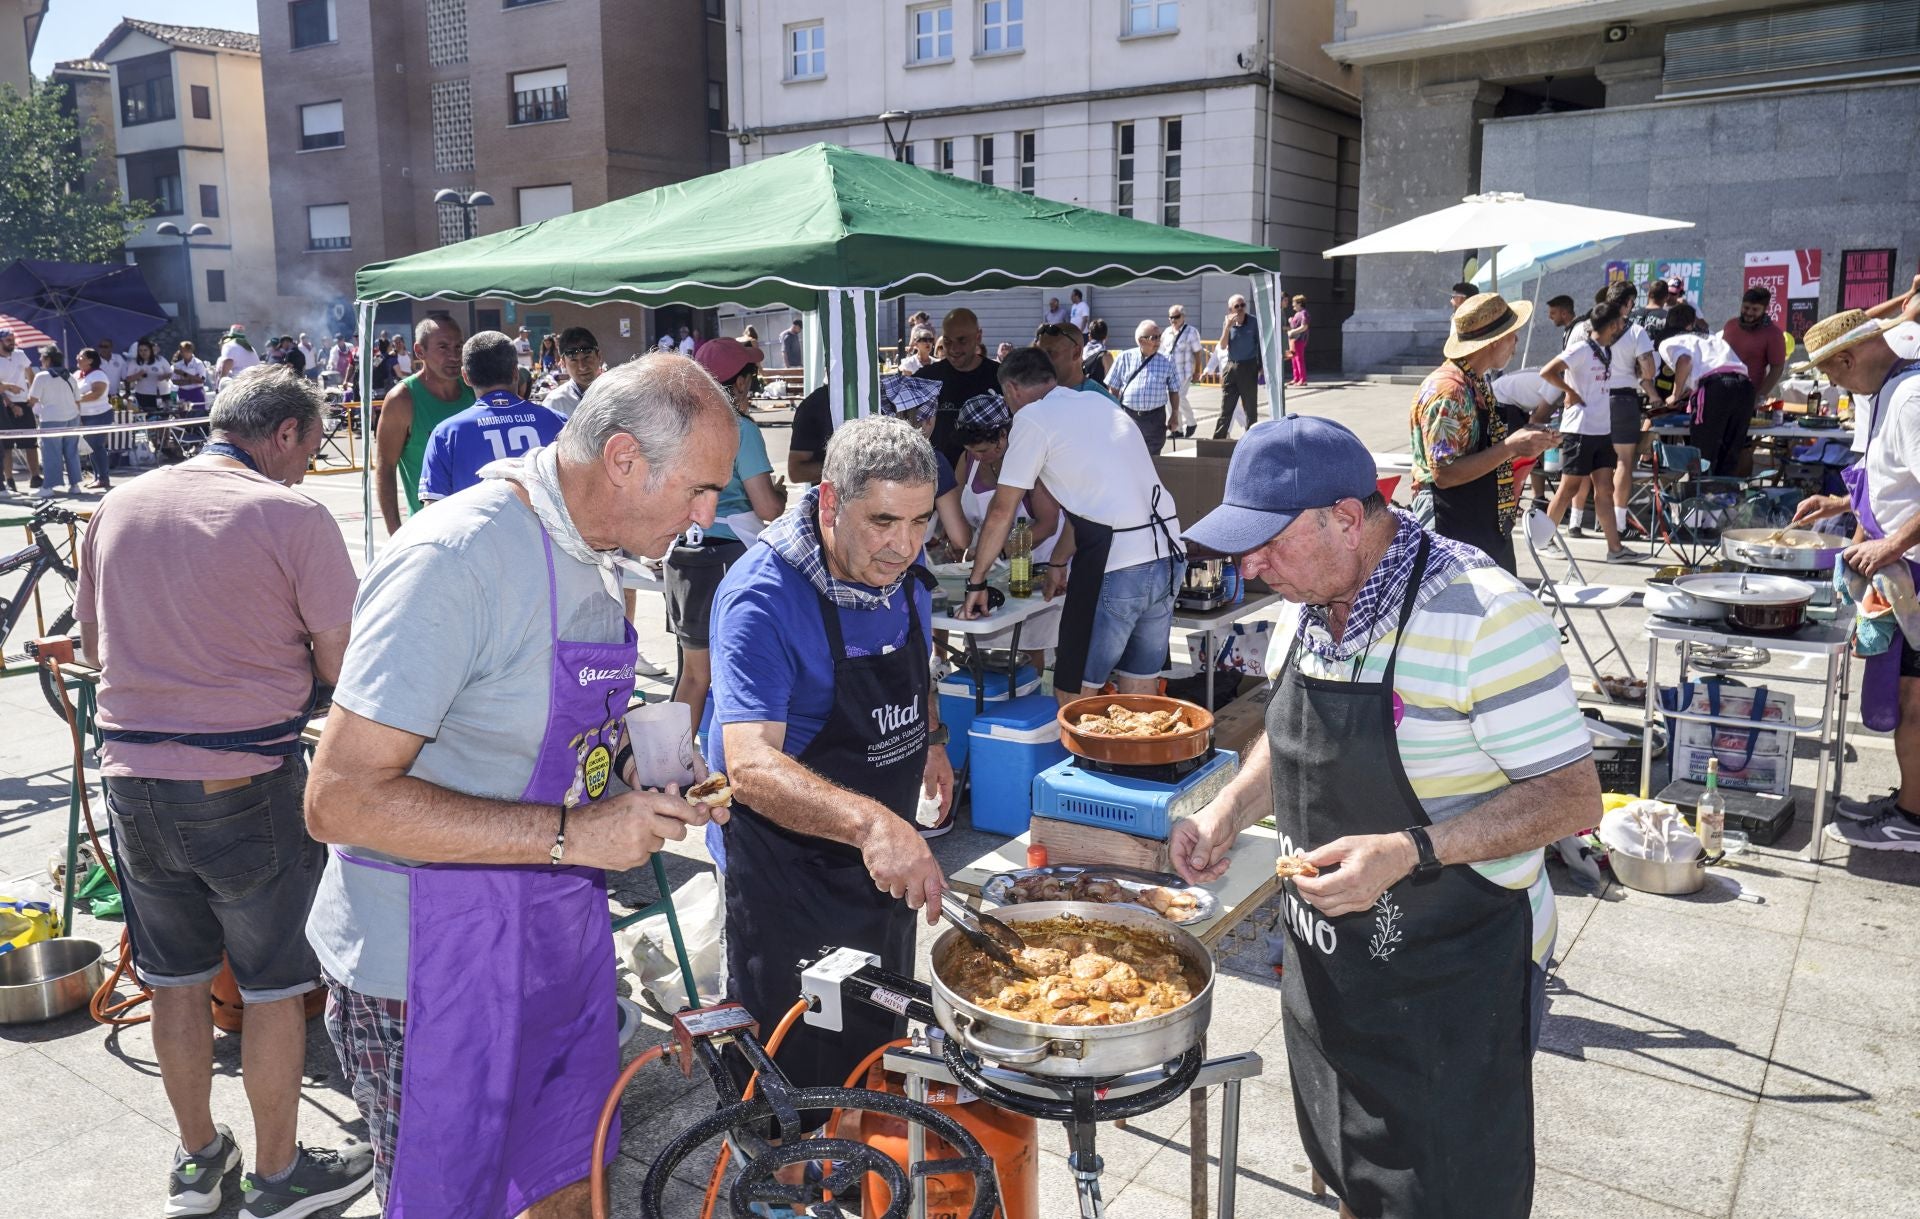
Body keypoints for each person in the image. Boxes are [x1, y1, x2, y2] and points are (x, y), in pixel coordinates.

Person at [303, 356, 737, 1217]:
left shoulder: (597, 550)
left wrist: (646, 772)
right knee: (451, 1197)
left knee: (569, 1176)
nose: (707, 515)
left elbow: (541, 732)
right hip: (427, 963)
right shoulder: (454, 557)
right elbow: (339, 798)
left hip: (551, 937)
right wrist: (576, 837)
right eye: (699, 489)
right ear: (622, 459)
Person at [1171, 414, 1600, 1219]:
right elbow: (1288, 733)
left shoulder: (1481, 614)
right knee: (1352, 1167)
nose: (1251, 566)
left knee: (1446, 1188)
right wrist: (1230, 805)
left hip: (1454, 974)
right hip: (1332, 965)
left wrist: (1411, 849)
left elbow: (1571, 797)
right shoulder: (1305, 603)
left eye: (1269, 543)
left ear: (1345, 517)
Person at [76, 367, 374, 1219]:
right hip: (242, 776)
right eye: (309, 450)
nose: (307, 468)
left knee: (175, 981)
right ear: (281, 434)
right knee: (276, 986)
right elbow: (344, 667)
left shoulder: (121, 504)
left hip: (132, 780)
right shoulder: (292, 516)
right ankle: (280, 1179)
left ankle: (199, 1164)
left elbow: (98, 645)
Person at [707, 414, 949, 1106]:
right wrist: (875, 827)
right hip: (792, 883)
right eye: (882, 522)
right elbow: (748, 764)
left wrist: (932, 739)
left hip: (884, 880)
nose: (903, 545)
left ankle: (866, 1170)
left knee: (879, 1039)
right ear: (829, 503)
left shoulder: (902, 573)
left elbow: (918, 661)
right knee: (794, 1075)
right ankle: (782, 1184)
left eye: (920, 521)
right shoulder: (763, 597)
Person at [963, 348, 1183, 707]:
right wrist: (1057, 563)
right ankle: (1135, 763)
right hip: (1167, 553)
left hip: (1117, 561)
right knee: (1141, 684)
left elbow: (1002, 511)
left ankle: (1078, 761)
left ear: (1013, 390)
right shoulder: (1101, 404)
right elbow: (1089, 505)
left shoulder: (1032, 418)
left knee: (1075, 687)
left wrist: (977, 581)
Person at [1781, 308, 1920, 853]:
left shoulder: (1910, 398)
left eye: (1834, 375)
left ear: (1848, 356)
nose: (1836, 386)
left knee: (1915, 700)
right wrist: (1841, 502)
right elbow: (1896, 480)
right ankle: (1911, 800)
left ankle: (1912, 822)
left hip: (1914, 570)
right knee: (1908, 693)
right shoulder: (1886, 391)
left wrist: (1889, 544)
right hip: (1904, 569)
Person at [670, 337, 786, 725]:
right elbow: (767, 507)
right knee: (717, 675)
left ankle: (665, 766)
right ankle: (684, 767)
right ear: (738, 383)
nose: (751, 387)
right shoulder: (741, 429)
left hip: (682, 552)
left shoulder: (681, 423)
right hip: (726, 556)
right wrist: (781, 496)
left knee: (690, 673)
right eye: (751, 377)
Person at [1407, 294, 1555, 573]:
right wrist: (1511, 447)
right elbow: (1444, 474)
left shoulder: (1473, 381)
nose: (1516, 344)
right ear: (1495, 341)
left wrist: (1525, 444)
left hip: (1475, 516)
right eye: (1513, 336)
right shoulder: (1449, 391)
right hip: (1451, 520)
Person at [953, 391, 1062, 669]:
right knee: (980, 645)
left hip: (1034, 570)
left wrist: (1000, 550)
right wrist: (956, 541)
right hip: (989, 569)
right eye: (973, 450)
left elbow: (1048, 524)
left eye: (985, 450)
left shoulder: (1029, 458)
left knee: (1027, 648)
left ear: (1004, 435)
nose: (979, 456)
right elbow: (958, 506)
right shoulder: (969, 460)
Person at [1540, 303, 1640, 561]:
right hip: (1579, 430)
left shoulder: (1606, 351)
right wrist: (1570, 391)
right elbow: (1547, 371)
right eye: (1619, 323)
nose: (1622, 327)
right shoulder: (1581, 349)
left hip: (1602, 430)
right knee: (1568, 488)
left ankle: (1615, 550)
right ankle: (1544, 540)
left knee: (1604, 490)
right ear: (1610, 326)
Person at [418, 331, 567, 504]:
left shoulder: (446, 434)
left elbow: (432, 511)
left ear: (465, 376)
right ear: (515, 373)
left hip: (476, 530)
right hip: (548, 531)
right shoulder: (560, 423)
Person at [374, 315, 473, 534]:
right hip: (430, 532)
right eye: (443, 347)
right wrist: (395, 533)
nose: (454, 356)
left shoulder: (474, 389)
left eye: (458, 347)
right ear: (420, 352)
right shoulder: (402, 399)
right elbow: (385, 467)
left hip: (477, 527)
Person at [1656, 302, 1754, 476]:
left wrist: (1675, 395)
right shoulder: (1712, 338)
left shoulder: (1668, 342)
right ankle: (1724, 496)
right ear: (1691, 324)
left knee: (1703, 455)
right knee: (1730, 452)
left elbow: (1684, 361)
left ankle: (1700, 497)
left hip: (1717, 388)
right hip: (1745, 387)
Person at [912, 307, 1001, 464]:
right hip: (938, 477)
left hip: (987, 478)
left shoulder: (1000, 377)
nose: (953, 348)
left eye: (962, 340)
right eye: (947, 341)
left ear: (978, 337)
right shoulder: (926, 377)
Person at [1105, 319, 1181, 455]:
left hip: (1155, 419)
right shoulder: (1124, 358)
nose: (1158, 341)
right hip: (1128, 417)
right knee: (1128, 456)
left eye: (1160, 337)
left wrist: (1174, 415)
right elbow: (1113, 389)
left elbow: (1174, 390)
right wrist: (1112, 415)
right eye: (1154, 338)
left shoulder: (1167, 360)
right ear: (1141, 340)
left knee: (1153, 460)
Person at [27, 346, 84, 497]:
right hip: (72, 417)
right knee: (71, 452)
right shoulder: (70, 376)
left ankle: (48, 487)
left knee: (51, 453)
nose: (40, 360)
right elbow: (78, 400)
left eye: (42, 358)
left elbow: (32, 399)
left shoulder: (41, 376)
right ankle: (75, 485)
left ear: (48, 359)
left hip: (51, 419)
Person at [1723, 286, 1787, 401]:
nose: (1749, 312)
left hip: (1748, 395)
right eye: (1746, 307)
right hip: (1722, 391)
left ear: (1765, 309)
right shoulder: (1730, 325)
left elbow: (1777, 369)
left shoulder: (1773, 334)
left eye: (1755, 309)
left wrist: (1760, 396)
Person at [1213, 294, 1262, 439]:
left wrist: (1261, 367)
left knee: (1250, 408)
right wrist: (1227, 327)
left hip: (1249, 366)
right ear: (1230, 309)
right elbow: (1222, 345)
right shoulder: (1227, 322)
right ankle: (1219, 438)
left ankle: (1251, 439)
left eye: (1243, 305)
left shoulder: (1253, 322)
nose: (1240, 309)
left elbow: (1260, 344)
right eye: (1237, 306)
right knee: (1226, 407)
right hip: (1232, 366)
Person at [0, 327, 41, 491]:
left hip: (24, 403)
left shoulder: (19, 354)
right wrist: (11, 404)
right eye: (9, 340)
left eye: (13, 339)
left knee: (31, 443)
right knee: (7, 445)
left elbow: (30, 374)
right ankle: (9, 479)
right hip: (5, 405)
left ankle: (36, 477)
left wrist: (33, 395)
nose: (12, 342)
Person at [1033, 321, 1114, 402]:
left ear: (1076, 353)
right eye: (1039, 353)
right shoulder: (1030, 396)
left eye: (1050, 352)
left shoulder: (1103, 401)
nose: (1041, 359)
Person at [74, 346, 115, 491]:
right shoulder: (78, 374)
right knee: (91, 448)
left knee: (96, 446)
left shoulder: (98, 375)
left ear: (90, 360)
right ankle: (98, 477)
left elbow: (97, 393)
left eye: (80, 356)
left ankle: (103, 478)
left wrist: (76, 400)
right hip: (85, 416)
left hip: (100, 415)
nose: (77, 358)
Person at [544, 325, 604, 418]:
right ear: (563, 363)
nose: (582, 367)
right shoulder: (555, 403)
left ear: (599, 356)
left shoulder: (618, 394)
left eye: (587, 357)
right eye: (574, 360)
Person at [1164, 304, 1205, 437]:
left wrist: (1197, 371)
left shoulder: (1191, 331)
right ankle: (1177, 429)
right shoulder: (1166, 332)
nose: (1173, 320)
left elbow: (1198, 352)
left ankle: (1191, 422)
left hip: (1185, 372)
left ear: (1183, 316)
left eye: (1176, 317)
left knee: (1179, 397)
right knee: (1170, 401)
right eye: (1171, 317)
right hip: (1169, 374)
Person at [787, 382, 833, 484]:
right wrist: (844, 468)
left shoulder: (875, 395)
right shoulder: (815, 404)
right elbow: (796, 472)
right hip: (831, 496)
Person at [127, 339, 172, 413]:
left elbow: (170, 373)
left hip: (163, 394)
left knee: (164, 417)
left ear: (150, 350)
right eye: (140, 350)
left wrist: (163, 376)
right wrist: (139, 374)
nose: (143, 352)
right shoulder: (134, 362)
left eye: (145, 350)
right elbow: (128, 379)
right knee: (148, 418)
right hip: (144, 395)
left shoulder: (160, 359)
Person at [1286, 294, 1311, 387]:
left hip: (1299, 339)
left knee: (1299, 359)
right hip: (1293, 339)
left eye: (1294, 303)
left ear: (1299, 303)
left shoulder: (1304, 313)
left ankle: (1302, 379)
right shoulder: (1297, 314)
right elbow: (1295, 325)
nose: (1292, 304)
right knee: (1293, 359)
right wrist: (1291, 321)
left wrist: (1293, 331)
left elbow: (1304, 326)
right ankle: (1296, 378)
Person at [1080, 318, 1111, 383]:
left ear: (1089, 336)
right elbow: (1110, 382)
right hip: (1100, 391)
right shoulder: (1106, 356)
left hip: (1082, 390)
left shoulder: (1080, 353)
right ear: (1106, 337)